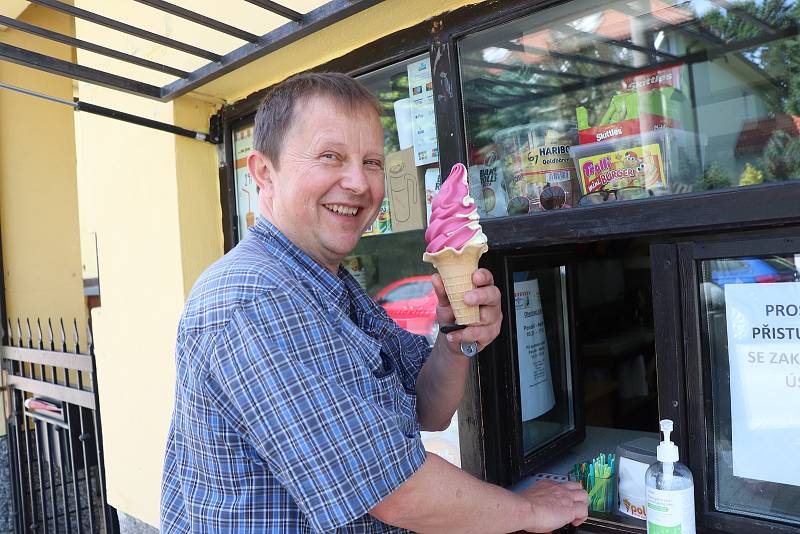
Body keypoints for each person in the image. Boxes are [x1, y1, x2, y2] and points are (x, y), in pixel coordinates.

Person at [160, 71, 588, 533]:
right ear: (265, 173)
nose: (359, 184)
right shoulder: (254, 299)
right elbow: (394, 493)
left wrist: (457, 339)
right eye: (331, 157)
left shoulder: (330, 285)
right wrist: (528, 511)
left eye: (372, 162)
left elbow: (427, 408)